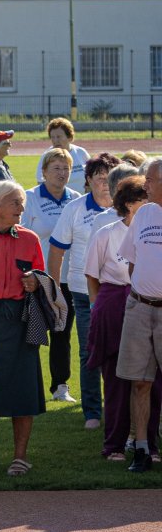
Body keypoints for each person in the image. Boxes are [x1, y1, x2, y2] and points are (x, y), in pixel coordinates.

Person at [0, 179, 45, 475]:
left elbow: (45, 280)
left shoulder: (30, 238)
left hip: (21, 320)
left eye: (21, 202)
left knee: (23, 388)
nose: (21, 207)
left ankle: (21, 456)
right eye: (15, 202)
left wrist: (35, 282)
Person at [50, 153, 121, 430]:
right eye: (100, 178)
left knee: (121, 351)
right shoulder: (75, 209)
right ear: (88, 180)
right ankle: (92, 411)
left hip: (120, 291)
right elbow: (57, 249)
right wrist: (54, 288)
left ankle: (118, 405)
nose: (106, 184)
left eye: (111, 178)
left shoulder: (127, 208)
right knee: (89, 351)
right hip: (82, 292)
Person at [86, 177, 152, 463]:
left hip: (148, 304)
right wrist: (98, 307)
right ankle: (113, 444)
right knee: (114, 378)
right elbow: (92, 275)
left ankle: (146, 444)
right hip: (114, 304)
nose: (150, 206)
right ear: (128, 204)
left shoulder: (154, 232)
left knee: (150, 379)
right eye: (143, 201)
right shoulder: (105, 233)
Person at [22, 148, 81, 403]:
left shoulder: (77, 199)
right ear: (44, 172)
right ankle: (26, 385)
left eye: (66, 168)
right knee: (29, 333)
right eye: (56, 168)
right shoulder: (29, 198)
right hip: (35, 279)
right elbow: (20, 236)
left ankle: (60, 387)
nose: (62, 173)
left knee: (61, 333)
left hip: (66, 279)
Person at [115, 161, 162, 472]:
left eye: (151, 179)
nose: (145, 185)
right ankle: (141, 448)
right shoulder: (144, 213)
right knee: (139, 382)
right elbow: (131, 261)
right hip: (140, 307)